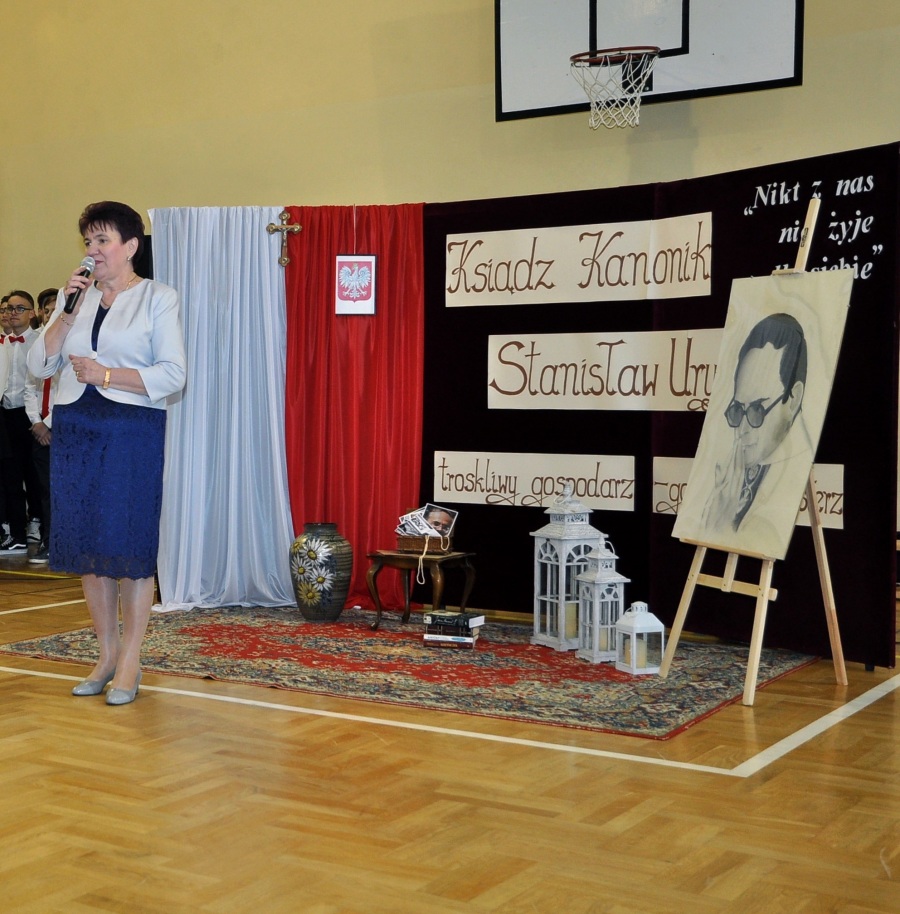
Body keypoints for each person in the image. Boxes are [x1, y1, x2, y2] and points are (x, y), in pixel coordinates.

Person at [27, 201, 186, 705]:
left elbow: (174, 374)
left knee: (128, 543)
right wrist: (65, 314)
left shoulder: (158, 297)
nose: (92, 251)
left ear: (130, 246)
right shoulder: (73, 297)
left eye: (102, 241)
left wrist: (109, 375)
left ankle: (131, 660)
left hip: (131, 428)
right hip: (77, 427)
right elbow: (39, 365)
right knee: (88, 546)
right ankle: (105, 655)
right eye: (88, 242)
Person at [701, 312, 810, 541]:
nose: (742, 429)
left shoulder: (796, 468)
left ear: (794, 399)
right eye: (737, 410)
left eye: (757, 409)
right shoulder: (730, 467)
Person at [0, 290, 43, 554]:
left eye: (19, 308)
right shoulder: (2, 343)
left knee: (35, 474)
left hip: (31, 416)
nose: (11, 313)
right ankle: (16, 533)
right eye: (7, 308)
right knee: (10, 475)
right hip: (5, 415)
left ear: (32, 313)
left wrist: (38, 418)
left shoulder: (40, 342)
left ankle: (39, 526)